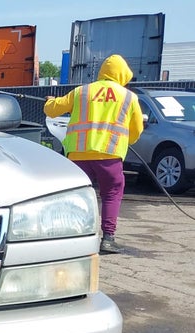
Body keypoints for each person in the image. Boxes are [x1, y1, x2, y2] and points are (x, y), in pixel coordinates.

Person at [44, 54, 144, 254]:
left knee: (75, 196)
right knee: (111, 195)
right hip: (109, 156)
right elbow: (137, 129)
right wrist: (126, 141)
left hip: (78, 157)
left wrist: (51, 101)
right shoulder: (129, 97)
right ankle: (108, 238)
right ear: (124, 75)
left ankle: (70, 237)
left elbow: (52, 111)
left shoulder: (82, 91)